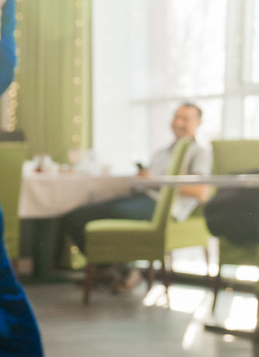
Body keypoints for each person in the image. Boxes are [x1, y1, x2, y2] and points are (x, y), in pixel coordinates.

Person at [59, 103, 211, 290]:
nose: (178, 123)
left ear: (198, 123)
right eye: (176, 117)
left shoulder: (199, 152)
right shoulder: (162, 152)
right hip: (142, 197)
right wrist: (143, 179)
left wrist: (157, 181)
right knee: (76, 216)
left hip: (164, 207)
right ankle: (106, 268)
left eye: (185, 119)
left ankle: (127, 270)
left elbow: (200, 191)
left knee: (114, 213)